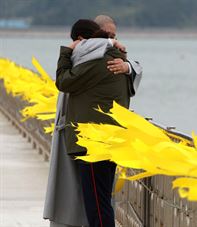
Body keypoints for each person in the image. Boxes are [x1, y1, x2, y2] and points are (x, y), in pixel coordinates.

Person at [43, 17, 142, 227]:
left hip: (94, 142)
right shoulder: (115, 58)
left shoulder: (99, 60)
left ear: (81, 40)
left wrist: (66, 51)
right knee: (100, 199)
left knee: (97, 203)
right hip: (106, 139)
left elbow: (63, 81)